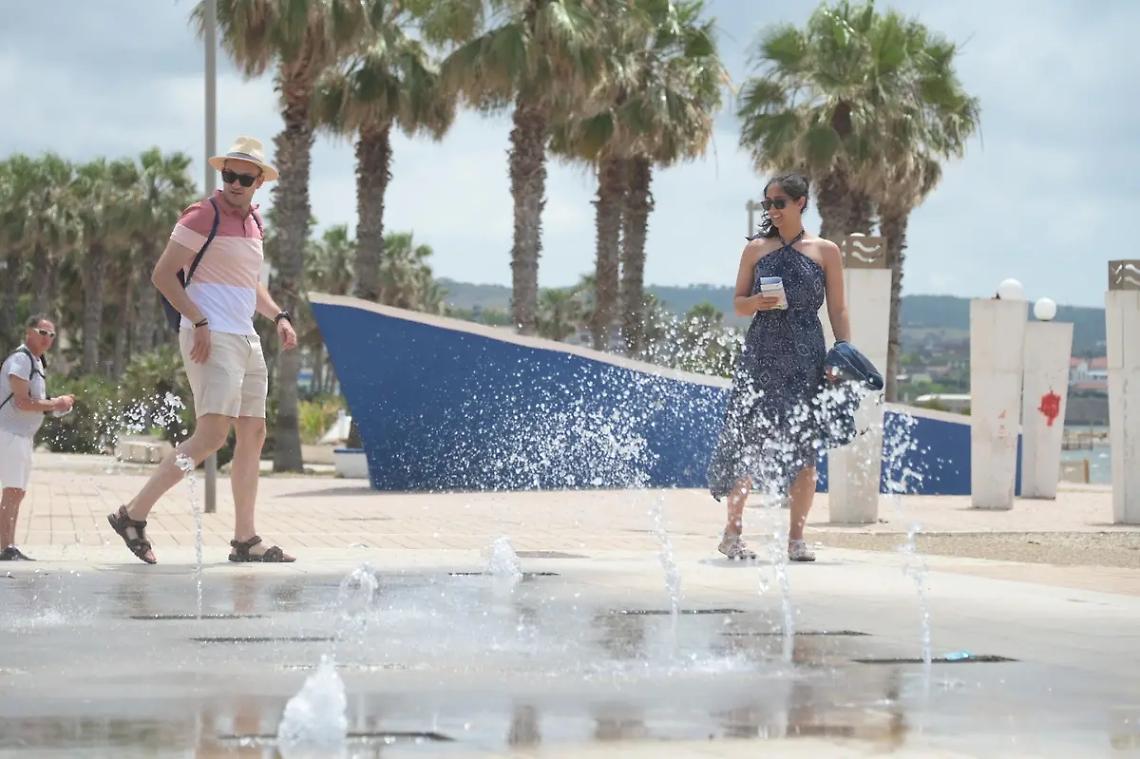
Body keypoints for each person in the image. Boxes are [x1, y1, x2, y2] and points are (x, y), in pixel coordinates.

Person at [107, 136, 298, 564]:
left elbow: (249, 283)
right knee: (212, 435)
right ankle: (132, 514)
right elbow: (162, 275)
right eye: (229, 175)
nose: (234, 184)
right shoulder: (202, 215)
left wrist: (279, 317)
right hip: (210, 335)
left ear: (260, 182)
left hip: (246, 336)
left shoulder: (255, 222)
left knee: (254, 432)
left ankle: (245, 540)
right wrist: (198, 319)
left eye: (244, 178)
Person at [707, 173, 851, 562]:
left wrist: (842, 351)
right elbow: (738, 303)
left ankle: (796, 539)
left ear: (801, 202)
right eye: (767, 203)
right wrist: (756, 302)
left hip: (807, 354)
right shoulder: (756, 249)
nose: (772, 210)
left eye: (779, 202)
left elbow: (838, 308)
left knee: (805, 448)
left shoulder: (826, 251)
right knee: (747, 441)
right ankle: (732, 533)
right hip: (762, 351)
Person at [0, 316, 75, 561]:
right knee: (12, 491)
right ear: (28, 332)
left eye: (52, 335)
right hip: (9, 434)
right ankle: (4, 547)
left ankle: (9, 545)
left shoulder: (36, 362)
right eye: (43, 332)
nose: (47, 339)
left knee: (18, 492)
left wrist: (57, 405)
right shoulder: (21, 359)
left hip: (22, 436)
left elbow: (35, 403)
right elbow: (22, 402)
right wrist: (56, 403)